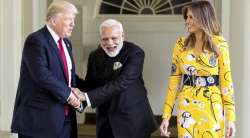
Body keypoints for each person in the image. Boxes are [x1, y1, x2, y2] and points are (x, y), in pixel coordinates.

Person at [160, 1, 236, 138]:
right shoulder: (180, 44)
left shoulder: (220, 43)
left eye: (191, 17)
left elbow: (226, 83)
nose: (187, 21)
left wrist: (231, 118)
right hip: (187, 105)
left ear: (203, 17)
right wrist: (166, 116)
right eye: (186, 17)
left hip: (212, 105)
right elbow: (174, 82)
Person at [11, 1, 84, 138]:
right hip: (40, 122)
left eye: (73, 20)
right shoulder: (36, 41)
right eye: (69, 19)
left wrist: (91, 91)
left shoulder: (67, 43)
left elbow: (68, 77)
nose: (73, 24)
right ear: (53, 20)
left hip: (65, 120)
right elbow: (42, 76)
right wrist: (69, 95)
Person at [77, 19, 158, 138]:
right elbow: (90, 85)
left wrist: (87, 97)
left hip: (132, 118)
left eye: (114, 38)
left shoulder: (135, 53)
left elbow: (121, 83)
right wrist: (70, 76)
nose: (110, 43)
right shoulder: (94, 56)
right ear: (100, 39)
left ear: (122, 36)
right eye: (105, 39)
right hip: (105, 120)